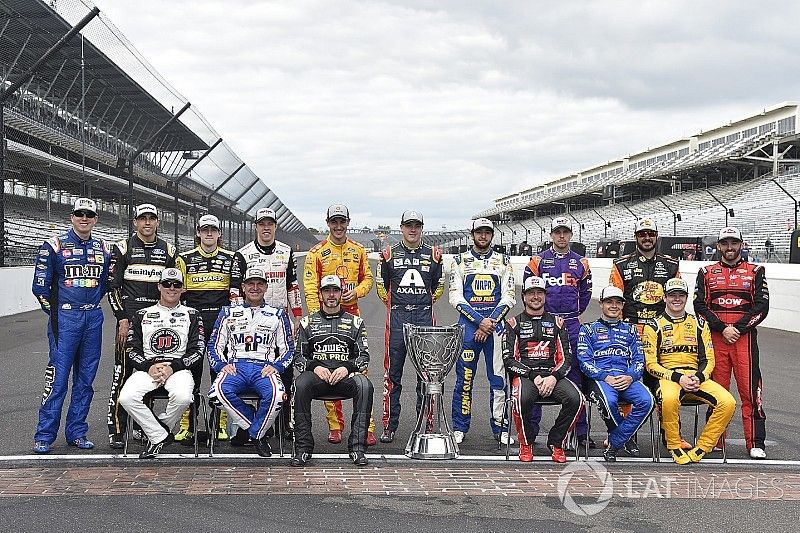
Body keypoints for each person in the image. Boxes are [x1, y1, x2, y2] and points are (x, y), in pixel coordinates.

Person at [31, 198, 113, 454]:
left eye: (89, 214)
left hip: (93, 318)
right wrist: (58, 313)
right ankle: (44, 435)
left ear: (95, 219)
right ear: (72, 217)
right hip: (65, 320)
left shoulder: (104, 248)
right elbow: (40, 288)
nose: (84, 218)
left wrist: (87, 305)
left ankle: (77, 432)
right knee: (57, 380)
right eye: (80, 213)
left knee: (86, 381)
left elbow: (105, 285)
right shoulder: (54, 245)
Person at [608, 216, 685, 451]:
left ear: (656, 236)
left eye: (651, 234)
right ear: (636, 238)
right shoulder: (621, 265)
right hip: (631, 332)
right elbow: (615, 300)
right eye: (642, 234)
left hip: (662, 334)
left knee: (665, 385)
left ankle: (671, 435)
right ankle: (625, 434)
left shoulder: (671, 265)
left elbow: (677, 299)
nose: (647, 238)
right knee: (628, 386)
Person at [303, 203, 376, 446]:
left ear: (348, 222)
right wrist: (317, 319)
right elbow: (311, 288)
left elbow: (369, 280)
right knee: (329, 368)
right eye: (334, 222)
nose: (338, 226)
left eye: (342, 221)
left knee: (360, 371)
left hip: (351, 316)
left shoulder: (359, 250)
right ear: (327, 223)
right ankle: (335, 425)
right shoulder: (316, 252)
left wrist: (356, 292)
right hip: (324, 319)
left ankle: (367, 426)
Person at [641, 278, 736, 464]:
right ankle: (674, 445)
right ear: (664, 298)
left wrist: (699, 377)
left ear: (686, 298)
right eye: (672, 295)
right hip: (669, 377)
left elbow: (709, 359)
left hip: (696, 376)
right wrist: (678, 378)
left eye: (681, 296)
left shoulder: (699, 323)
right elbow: (650, 365)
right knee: (668, 399)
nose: (677, 299)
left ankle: (703, 447)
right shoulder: (653, 326)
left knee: (728, 402)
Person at [694, 226, 770, 459]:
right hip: (716, 337)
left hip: (743, 338)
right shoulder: (706, 272)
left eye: (734, 243)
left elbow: (762, 306)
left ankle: (755, 442)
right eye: (725, 243)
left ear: (741, 244)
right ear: (718, 246)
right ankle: (714, 438)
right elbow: (699, 305)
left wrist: (736, 329)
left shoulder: (756, 270)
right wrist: (721, 328)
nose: (729, 248)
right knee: (716, 389)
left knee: (749, 390)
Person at [107, 203, 177, 449]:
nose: (147, 223)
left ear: (158, 222)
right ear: (135, 222)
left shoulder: (168, 250)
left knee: (150, 373)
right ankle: (116, 427)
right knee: (123, 374)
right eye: (142, 218)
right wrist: (122, 318)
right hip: (129, 323)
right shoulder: (123, 248)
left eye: (151, 218)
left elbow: (173, 288)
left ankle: (142, 426)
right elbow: (113, 287)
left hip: (156, 324)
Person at [207, 267, 294, 457]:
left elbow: (289, 349)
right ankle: (259, 431)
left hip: (264, 367)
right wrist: (222, 365)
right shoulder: (228, 312)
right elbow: (213, 345)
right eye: (251, 284)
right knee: (216, 394)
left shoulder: (278, 314)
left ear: (266, 287)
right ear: (243, 288)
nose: (255, 288)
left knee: (279, 396)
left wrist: (276, 367)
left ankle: (251, 433)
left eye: (260, 284)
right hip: (235, 366)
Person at [118, 268, 204, 459]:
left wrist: (172, 368)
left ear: (183, 289)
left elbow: (198, 350)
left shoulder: (192, 314)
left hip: (178, 369)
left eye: (177, 285)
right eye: (167, 284)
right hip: (148, 368)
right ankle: (159, 435)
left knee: (183, 397)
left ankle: (159, 429)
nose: (171, 288)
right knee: (126, 397)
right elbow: (132, 349)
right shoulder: (142, 314)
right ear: (159, 286)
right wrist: (149, 367)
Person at [233, 207, 302, 445]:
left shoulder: (286, 251)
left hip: (280, 322)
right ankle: (253, 424)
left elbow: (293, 286)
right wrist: (237, 322)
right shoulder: (243, 254)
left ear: (275, 226)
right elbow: (235, 292)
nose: (266, 228)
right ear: (256, 226)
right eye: (261, 223)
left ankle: (286, 424)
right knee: (253, 371)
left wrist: (297, 317)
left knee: (284, 373)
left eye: (270, 223)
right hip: (251, 324)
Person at [522, 216, 592, 447]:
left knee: (576, 375)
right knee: (538, 371)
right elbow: (529, 292)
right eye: (557, 232)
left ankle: (579, 432)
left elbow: (585, 296)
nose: (561, 236)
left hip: (571, 323)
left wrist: (571, 315)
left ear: (571, 235)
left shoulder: (581, 262)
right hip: (543, 323)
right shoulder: (537, 261)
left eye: (566, 232)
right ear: (551, 235)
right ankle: (530, 433)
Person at [376, 210, 444, 443]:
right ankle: (389, 425)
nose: (412, 229)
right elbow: (381, 287)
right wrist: (398, 307)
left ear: (422, 227)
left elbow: (438, 287)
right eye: (408, 225)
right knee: (392, 376)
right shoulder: (388, 254)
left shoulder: (434, 255)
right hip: (397, 319)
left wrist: (422, 305)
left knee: (426, 377)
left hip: (424, 319)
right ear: (401, 227)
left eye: (416, 225)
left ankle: (425, 425)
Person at [291, 275, 374, 467]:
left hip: (344, 377)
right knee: (300, 384)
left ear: (341, 293)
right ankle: (303, 448)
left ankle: (357, 448)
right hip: (318, 377)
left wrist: (347, 368)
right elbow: (298, 356)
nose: (331, 295)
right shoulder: (307, 323)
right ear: (320, 294)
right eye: (327, 290)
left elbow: (364, 356)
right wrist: (315, 367)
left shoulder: (355, 322)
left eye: (335, 290)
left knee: (365, 385)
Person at [174, 213, 240, 443]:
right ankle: (187, 425)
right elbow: (177, 294)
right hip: (193, 324)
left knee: (221, 375)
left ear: (219, 233)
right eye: (205, 230)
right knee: (188, 373)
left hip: (221, 324)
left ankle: (220, 423)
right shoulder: (185, 258)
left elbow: (236, 295)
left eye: (213, 230)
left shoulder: (232, 258)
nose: (209, 234)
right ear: (198, 233)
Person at [449, 217, 516, 445]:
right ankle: (459, 426)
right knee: (464, 380)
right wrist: (480, 321)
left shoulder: (504, 262)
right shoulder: (459, 261)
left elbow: (509, 297)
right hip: (468, 328)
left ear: (492, 235)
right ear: (472, 234)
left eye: (487, 232)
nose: (483, 236)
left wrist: (490, 323)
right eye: (480, 232)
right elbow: (455, 297)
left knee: (498, 380)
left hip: (495, 329)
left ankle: (501, 427)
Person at [502, 276, 583, 463]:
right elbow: (509, 360)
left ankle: (557, 442)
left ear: (545, 296)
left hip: (553, 376)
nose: (535, 297)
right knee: (521, 398)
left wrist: (554, 377)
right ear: (523, 296)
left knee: (576, 399)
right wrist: (533, 376)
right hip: (526, 376)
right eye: (531, 293)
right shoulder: (513, 324)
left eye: (539, 293)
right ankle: (526, 443)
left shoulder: (558, 323)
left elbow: (566, 357)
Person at [577, 286, 655, 462]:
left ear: (622, 305)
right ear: (601, 304)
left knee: (648, 401)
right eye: (609, 302)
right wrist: (606, 377)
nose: (614, 306)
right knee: (609, 401)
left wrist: (630, 377)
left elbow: (639, 360)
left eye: (618, 303)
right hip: (600, 378)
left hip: (625, 377)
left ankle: (615, 441)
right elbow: (584, 361)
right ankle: (622, 441)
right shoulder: (588, 329)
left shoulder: (631, 330)